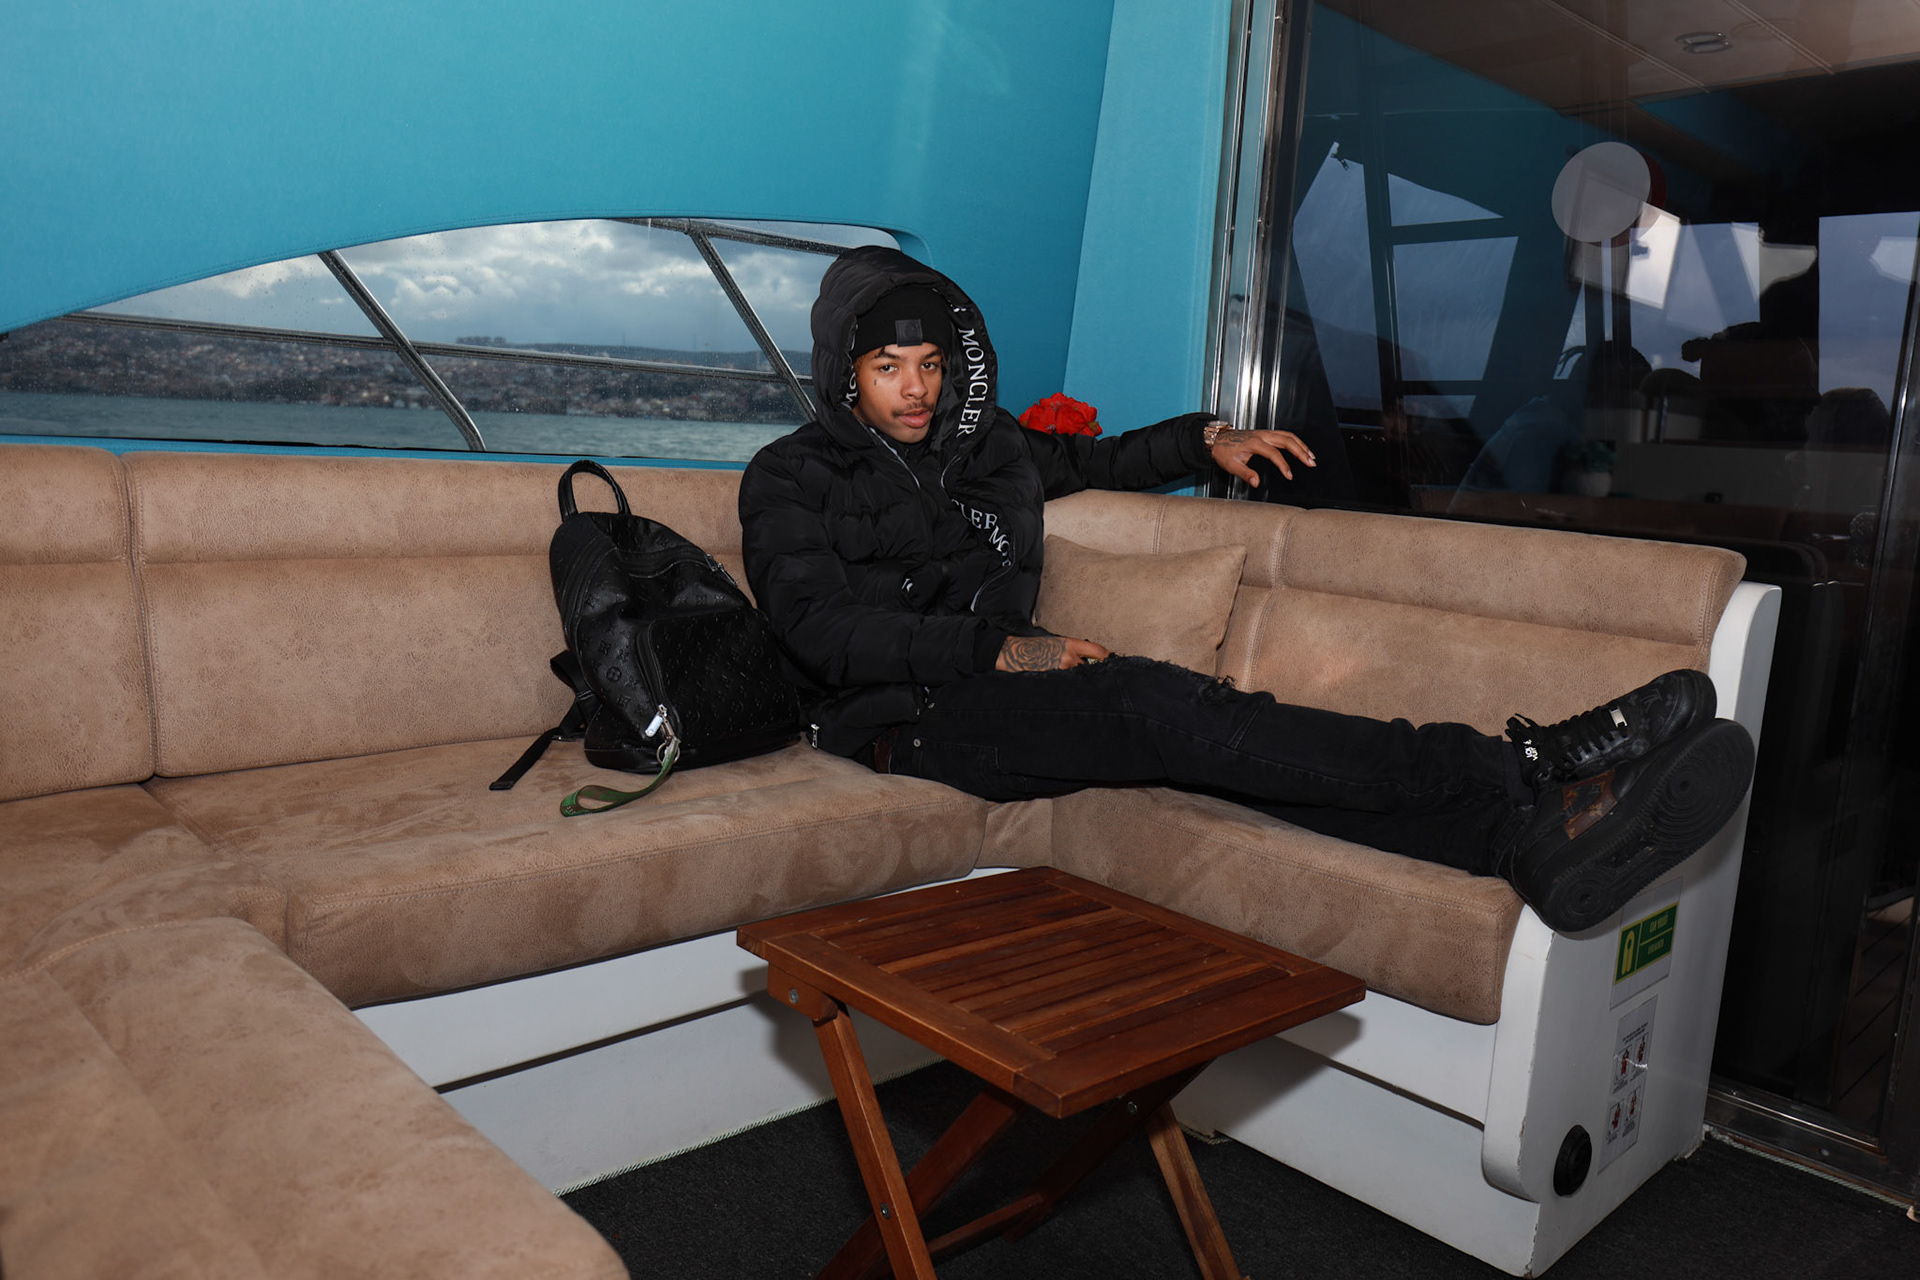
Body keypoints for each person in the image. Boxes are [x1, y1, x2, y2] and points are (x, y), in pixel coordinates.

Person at [739, 246, 1755, 935]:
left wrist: (1208, 441)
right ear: (844, 373)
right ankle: (1521, 761)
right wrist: (995, 648)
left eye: (930, 364)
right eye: (888, 366)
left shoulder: (985, 444)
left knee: (1222, 756)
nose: (917, 388)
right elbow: (817, 631)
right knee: (1159, 703)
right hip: (903, 727)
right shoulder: (788, 476)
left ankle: (1514, 841)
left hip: (1006, 694)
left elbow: (1094, 459)